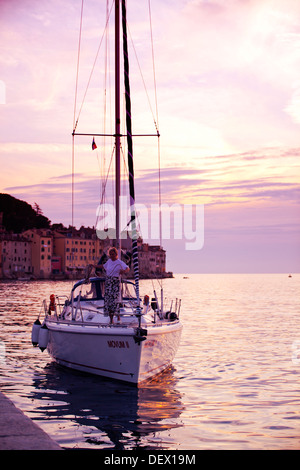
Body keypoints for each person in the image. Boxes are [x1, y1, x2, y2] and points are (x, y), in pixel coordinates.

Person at [95, 247, 129, 324]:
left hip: (115, 282)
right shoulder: (109, 261)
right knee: (108, 300)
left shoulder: (119, 262)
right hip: (108, 282)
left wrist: (123, 271)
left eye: (112, 254)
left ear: (116, 254)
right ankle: (111, 320)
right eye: (110, 254)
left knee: (115, 300)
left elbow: (127, 268)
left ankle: (118, 317)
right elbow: (103, 266)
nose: (111, 256)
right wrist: (94, 266)